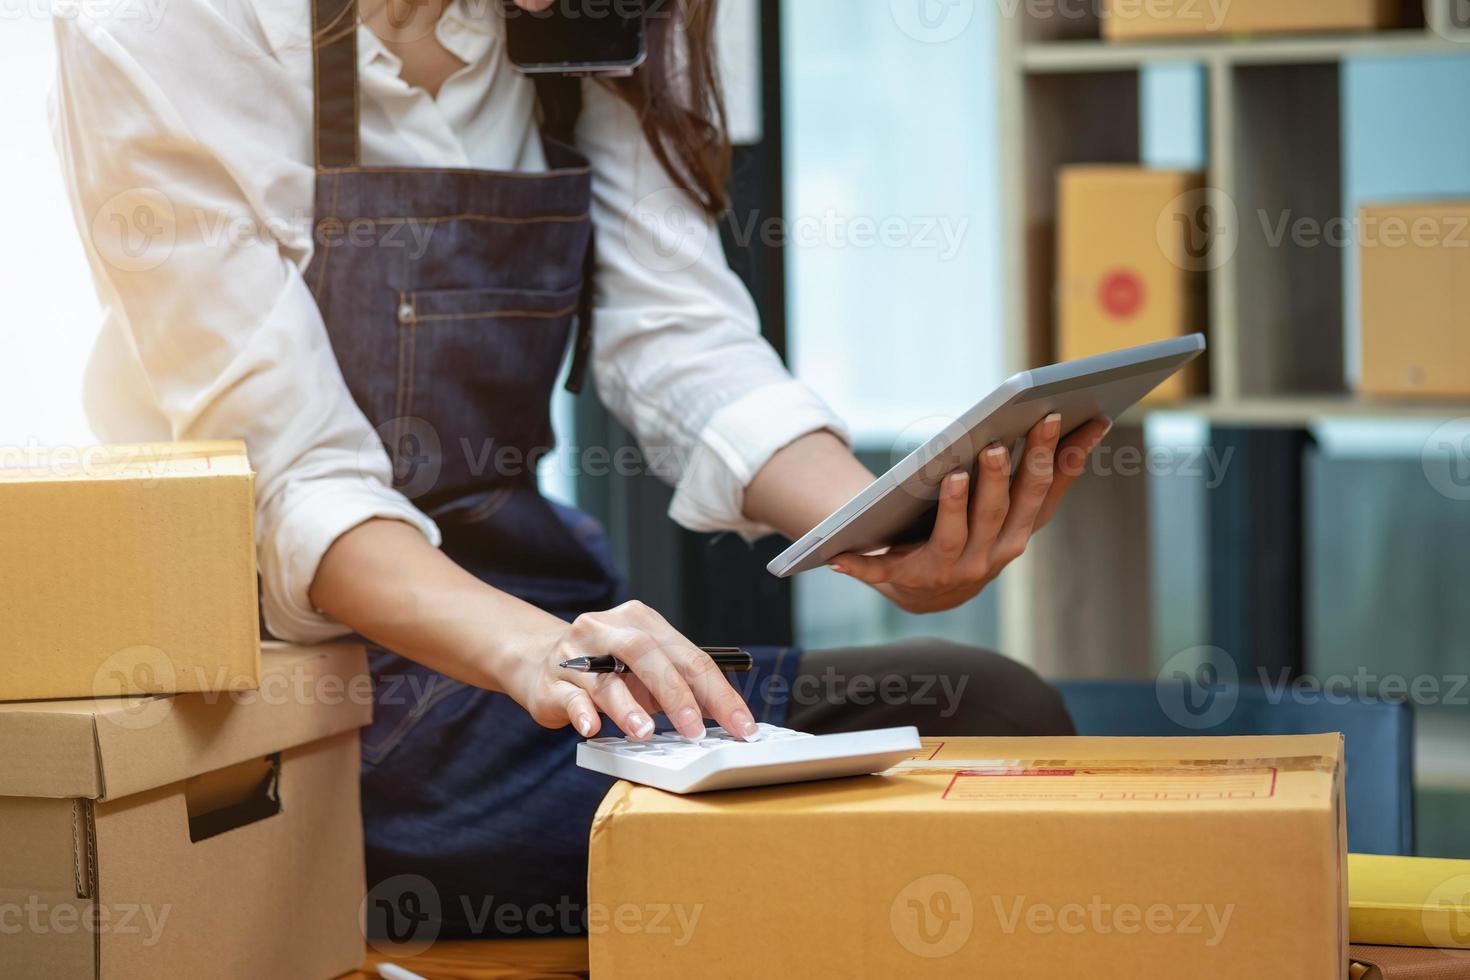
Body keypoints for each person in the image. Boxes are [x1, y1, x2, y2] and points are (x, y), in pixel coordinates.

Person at [52, 0, 1109, 937]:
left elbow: (677, 339)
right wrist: (537, 655)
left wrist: (881, 519)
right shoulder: (164, 27)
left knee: (986, 712)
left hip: (546, 634)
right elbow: (296, 481)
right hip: (310, 688)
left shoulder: (599, 16)